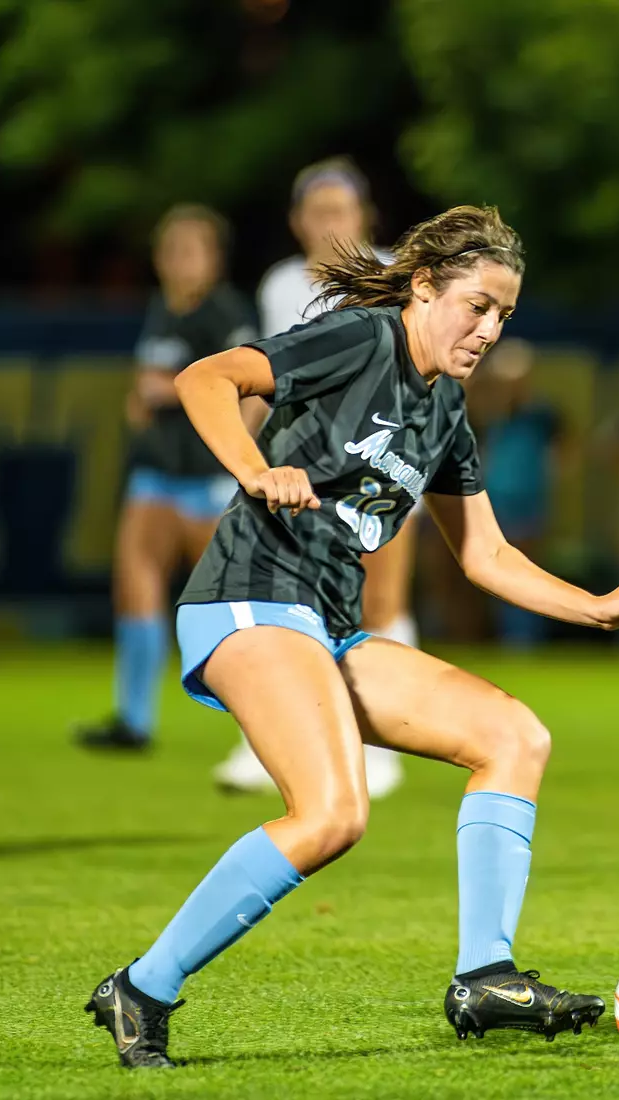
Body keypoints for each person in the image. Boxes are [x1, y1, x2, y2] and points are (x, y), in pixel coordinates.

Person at [85, 205, 619, 1069]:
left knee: (513, 736)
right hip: (250, 597)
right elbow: (206, 378)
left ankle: (484, 977)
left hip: (324, 626)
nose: (490, 329)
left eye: (505, 315)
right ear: (424, 288)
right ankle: (142, 988)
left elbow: (487, 554)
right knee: (332, 816)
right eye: (477, 306)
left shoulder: (446, 412)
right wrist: (256, 469)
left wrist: (596, 607)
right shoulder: (362, 340)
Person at [216, 156, 409, 797]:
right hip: (300, 465)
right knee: (279, 602)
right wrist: (242, 455)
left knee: (378, 602)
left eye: (340, 210)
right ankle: (266, 746)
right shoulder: (280, 284)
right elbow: (268, 373)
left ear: (364, 216)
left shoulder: (398, 274)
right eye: (317, 211)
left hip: (381, 460)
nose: (329, 223)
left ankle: (383, 748)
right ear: (298, 221)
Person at [77, 204, 258, 750]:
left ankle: (259, 728)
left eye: (189, 250)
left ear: (214, 259)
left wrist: (238, 462)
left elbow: (252, 392)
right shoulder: (162, 309)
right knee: (135, 586)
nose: (177, 261)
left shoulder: (226, 313)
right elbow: (148, 381)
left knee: (229, 606)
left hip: (205, 477)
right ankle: (133, 719)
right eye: (169, 250)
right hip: (155, 470)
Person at [471, 337, 564, 646]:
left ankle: (523, 636)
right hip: (489, 502)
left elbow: (564, 454)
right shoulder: (485, 413)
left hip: (527, 503)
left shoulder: (542, 416)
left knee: (525, 567)